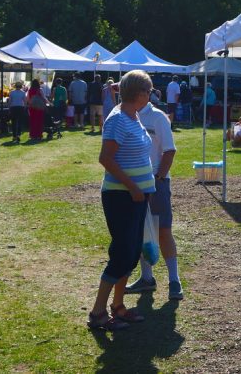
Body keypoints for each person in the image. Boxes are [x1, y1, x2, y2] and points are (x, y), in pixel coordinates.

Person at [88, 71, 156, 330]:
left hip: (137, 196)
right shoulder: (117, 119)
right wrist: (132, 187)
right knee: (121, 253)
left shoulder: (133, 115)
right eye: (148, 91)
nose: (150, 96)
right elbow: (106, 159)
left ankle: (118, 306)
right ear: (139, 93)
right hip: (121, 196)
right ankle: (97, 313)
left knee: (130, 252)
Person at [127, 96, 183, 300]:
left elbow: (169, 150)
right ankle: (147, 278)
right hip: (133, 184)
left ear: (145, 93)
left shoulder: (158, 117)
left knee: (164, 231)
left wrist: (158, 178)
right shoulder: (125, 114)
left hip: (156, 182)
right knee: (140, 230)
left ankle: (174, 280)